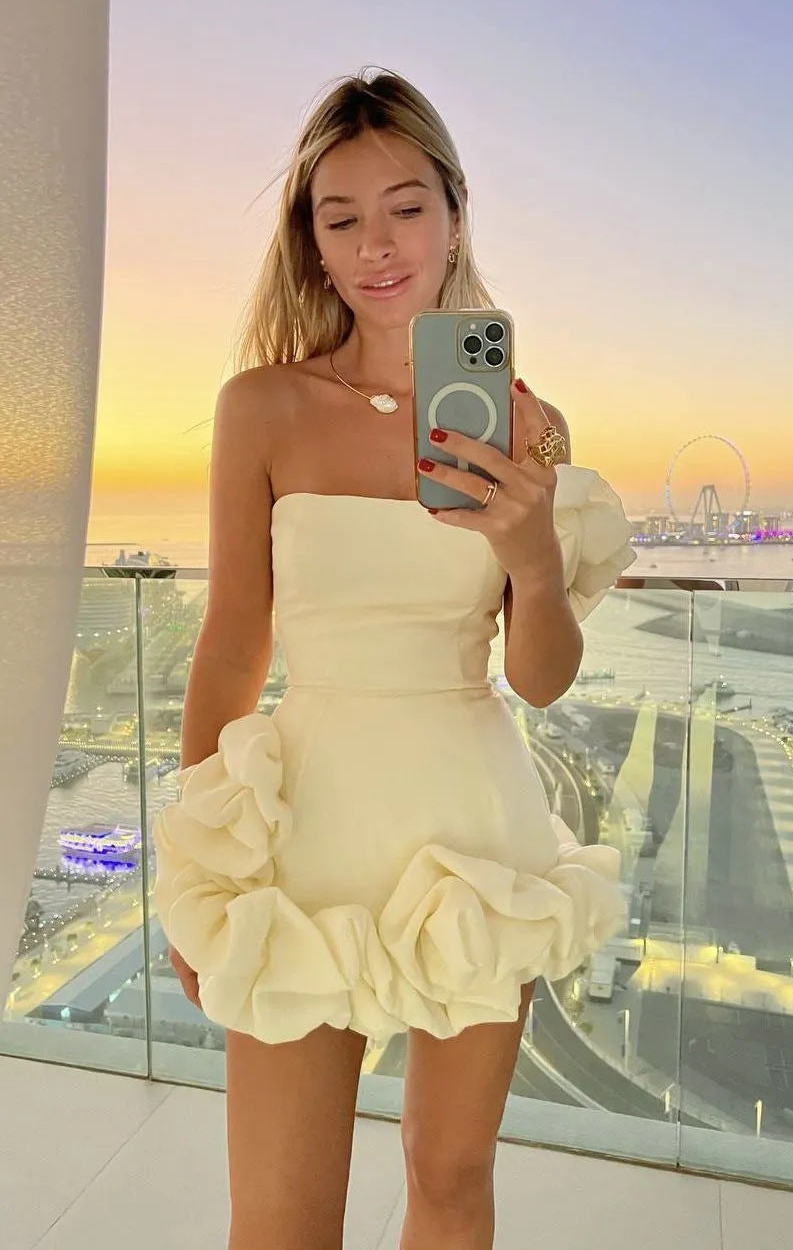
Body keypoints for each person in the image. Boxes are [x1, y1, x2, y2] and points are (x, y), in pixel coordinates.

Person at [153, 68, 636, 1250]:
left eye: (407, 207)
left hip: (474, 830)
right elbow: (232, 643)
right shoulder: (261, 407)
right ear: (312, 245)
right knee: (280, 1218)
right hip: (304, 833)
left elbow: (540, 677)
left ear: (455, 215)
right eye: (342, 217)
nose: (378, 244)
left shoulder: (529, 428)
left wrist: (532, 556)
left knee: (451, 1181)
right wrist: (201, 874)